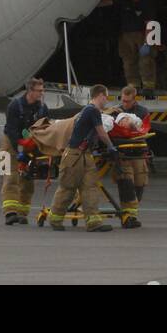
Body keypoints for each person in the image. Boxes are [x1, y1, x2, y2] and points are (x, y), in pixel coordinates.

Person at [48, 84, 114, 233]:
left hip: (85, 154)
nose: (106, 101)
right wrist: (111, 147)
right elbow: (102, 132)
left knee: (90, 187)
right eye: (106, 97)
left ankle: (93, 223)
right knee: (68, 188)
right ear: (101, 95)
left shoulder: (87, 111)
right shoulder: (92, 111)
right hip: (74, 156)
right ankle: (55, 219)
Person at [0, 78, 49, 224]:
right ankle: (10, 213)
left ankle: (22, 213)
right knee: (11, 177)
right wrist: (20, 149)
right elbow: (11, 130)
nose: (42, 93)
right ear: (30, 91)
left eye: (42, 90)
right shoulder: (14, 106)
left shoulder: (42, 108)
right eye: (39, 90)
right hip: (10, 143)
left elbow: (44, 128)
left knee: (28, 180)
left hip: (31, 143)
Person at [100, 0, 157, 90]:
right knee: (128, 61)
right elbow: (108, 2)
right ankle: (133, 84)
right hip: (126, 35)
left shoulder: (146, 3)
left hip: (143, 34)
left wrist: (147, 42)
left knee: (145, 60)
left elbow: (149, 24)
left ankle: (148, 86)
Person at [109, 85, 151, 229]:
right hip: (123, 153)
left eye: (128, 101)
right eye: (123, 100)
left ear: (135, 99)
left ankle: (132, 213)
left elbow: (144, 129)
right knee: (126, 183)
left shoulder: (142, 112)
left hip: (138, 152)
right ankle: (127, 217)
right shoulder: (115, 111)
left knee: (140, 182)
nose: (124, 103)